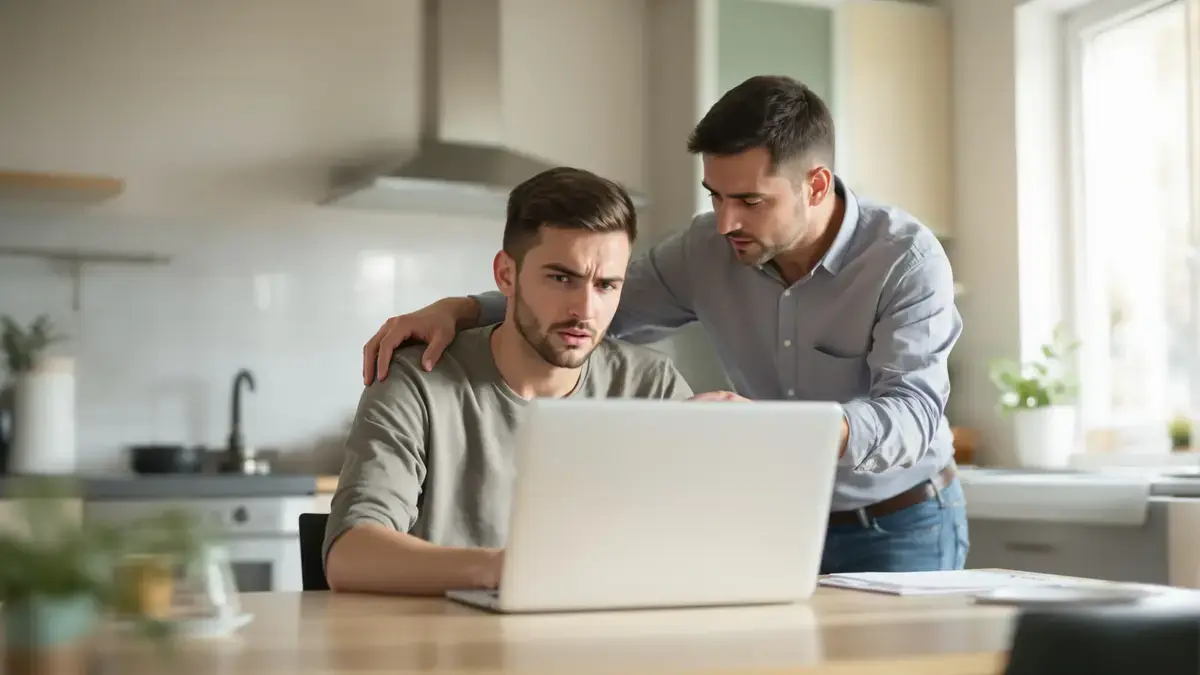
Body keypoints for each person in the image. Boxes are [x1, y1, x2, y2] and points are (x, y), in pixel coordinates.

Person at [359, 75, 967, 574]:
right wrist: (461, 309)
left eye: (750, 201)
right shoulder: (708, 247)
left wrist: (779, 429)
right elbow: (595, 310)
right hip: (777, 524)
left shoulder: (903, 261)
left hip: (897, 522)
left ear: (815, 185)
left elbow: (914, 414)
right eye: (715, 195)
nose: (725, 221)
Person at [323, 166, 693, 595]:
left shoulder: (654, 388)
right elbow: (351, 555)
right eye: (561, 278)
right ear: (506, 276)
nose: (585, 309)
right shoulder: (419, 379)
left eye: (607, 285)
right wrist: (515, 570)